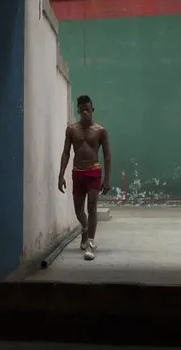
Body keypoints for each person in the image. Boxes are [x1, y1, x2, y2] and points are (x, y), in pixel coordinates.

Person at [58, 95, 111, 261]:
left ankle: (90, 243)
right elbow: (66, 153)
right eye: (82, 110)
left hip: (94, 171)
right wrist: (61, 175)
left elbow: (107, 156)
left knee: (92, 206)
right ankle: (85, 228)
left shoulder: (100, 130)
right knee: (78, 210)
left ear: (92, 109)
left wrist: (107, 179)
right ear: (79, 111)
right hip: (78, 172)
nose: (85, 112)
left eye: (88, 109)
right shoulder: (71, 130)